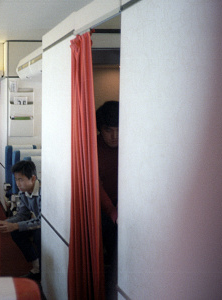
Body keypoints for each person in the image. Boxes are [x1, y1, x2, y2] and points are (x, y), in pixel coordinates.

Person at [0, 160, 41, 281]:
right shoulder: (23, 193)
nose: (17, 183)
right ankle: (37, 266)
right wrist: (6, 222)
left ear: (33, 178)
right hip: (39, 223)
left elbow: (42, 221)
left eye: (20, 179)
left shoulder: (43, 192)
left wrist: (16, 225)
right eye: (16, 179)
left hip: (49, 227)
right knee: (16, 232)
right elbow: (22, 215)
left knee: (38, 234)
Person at [96, 100, 119, 300]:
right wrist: (112, 209)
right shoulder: (93, 148)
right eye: (109, 130)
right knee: (113, 247)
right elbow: (96, 184)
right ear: (100, 130)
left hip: (126, 202)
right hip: (102, 207)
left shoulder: (134, 144)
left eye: (119, 130)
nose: (115, 136)